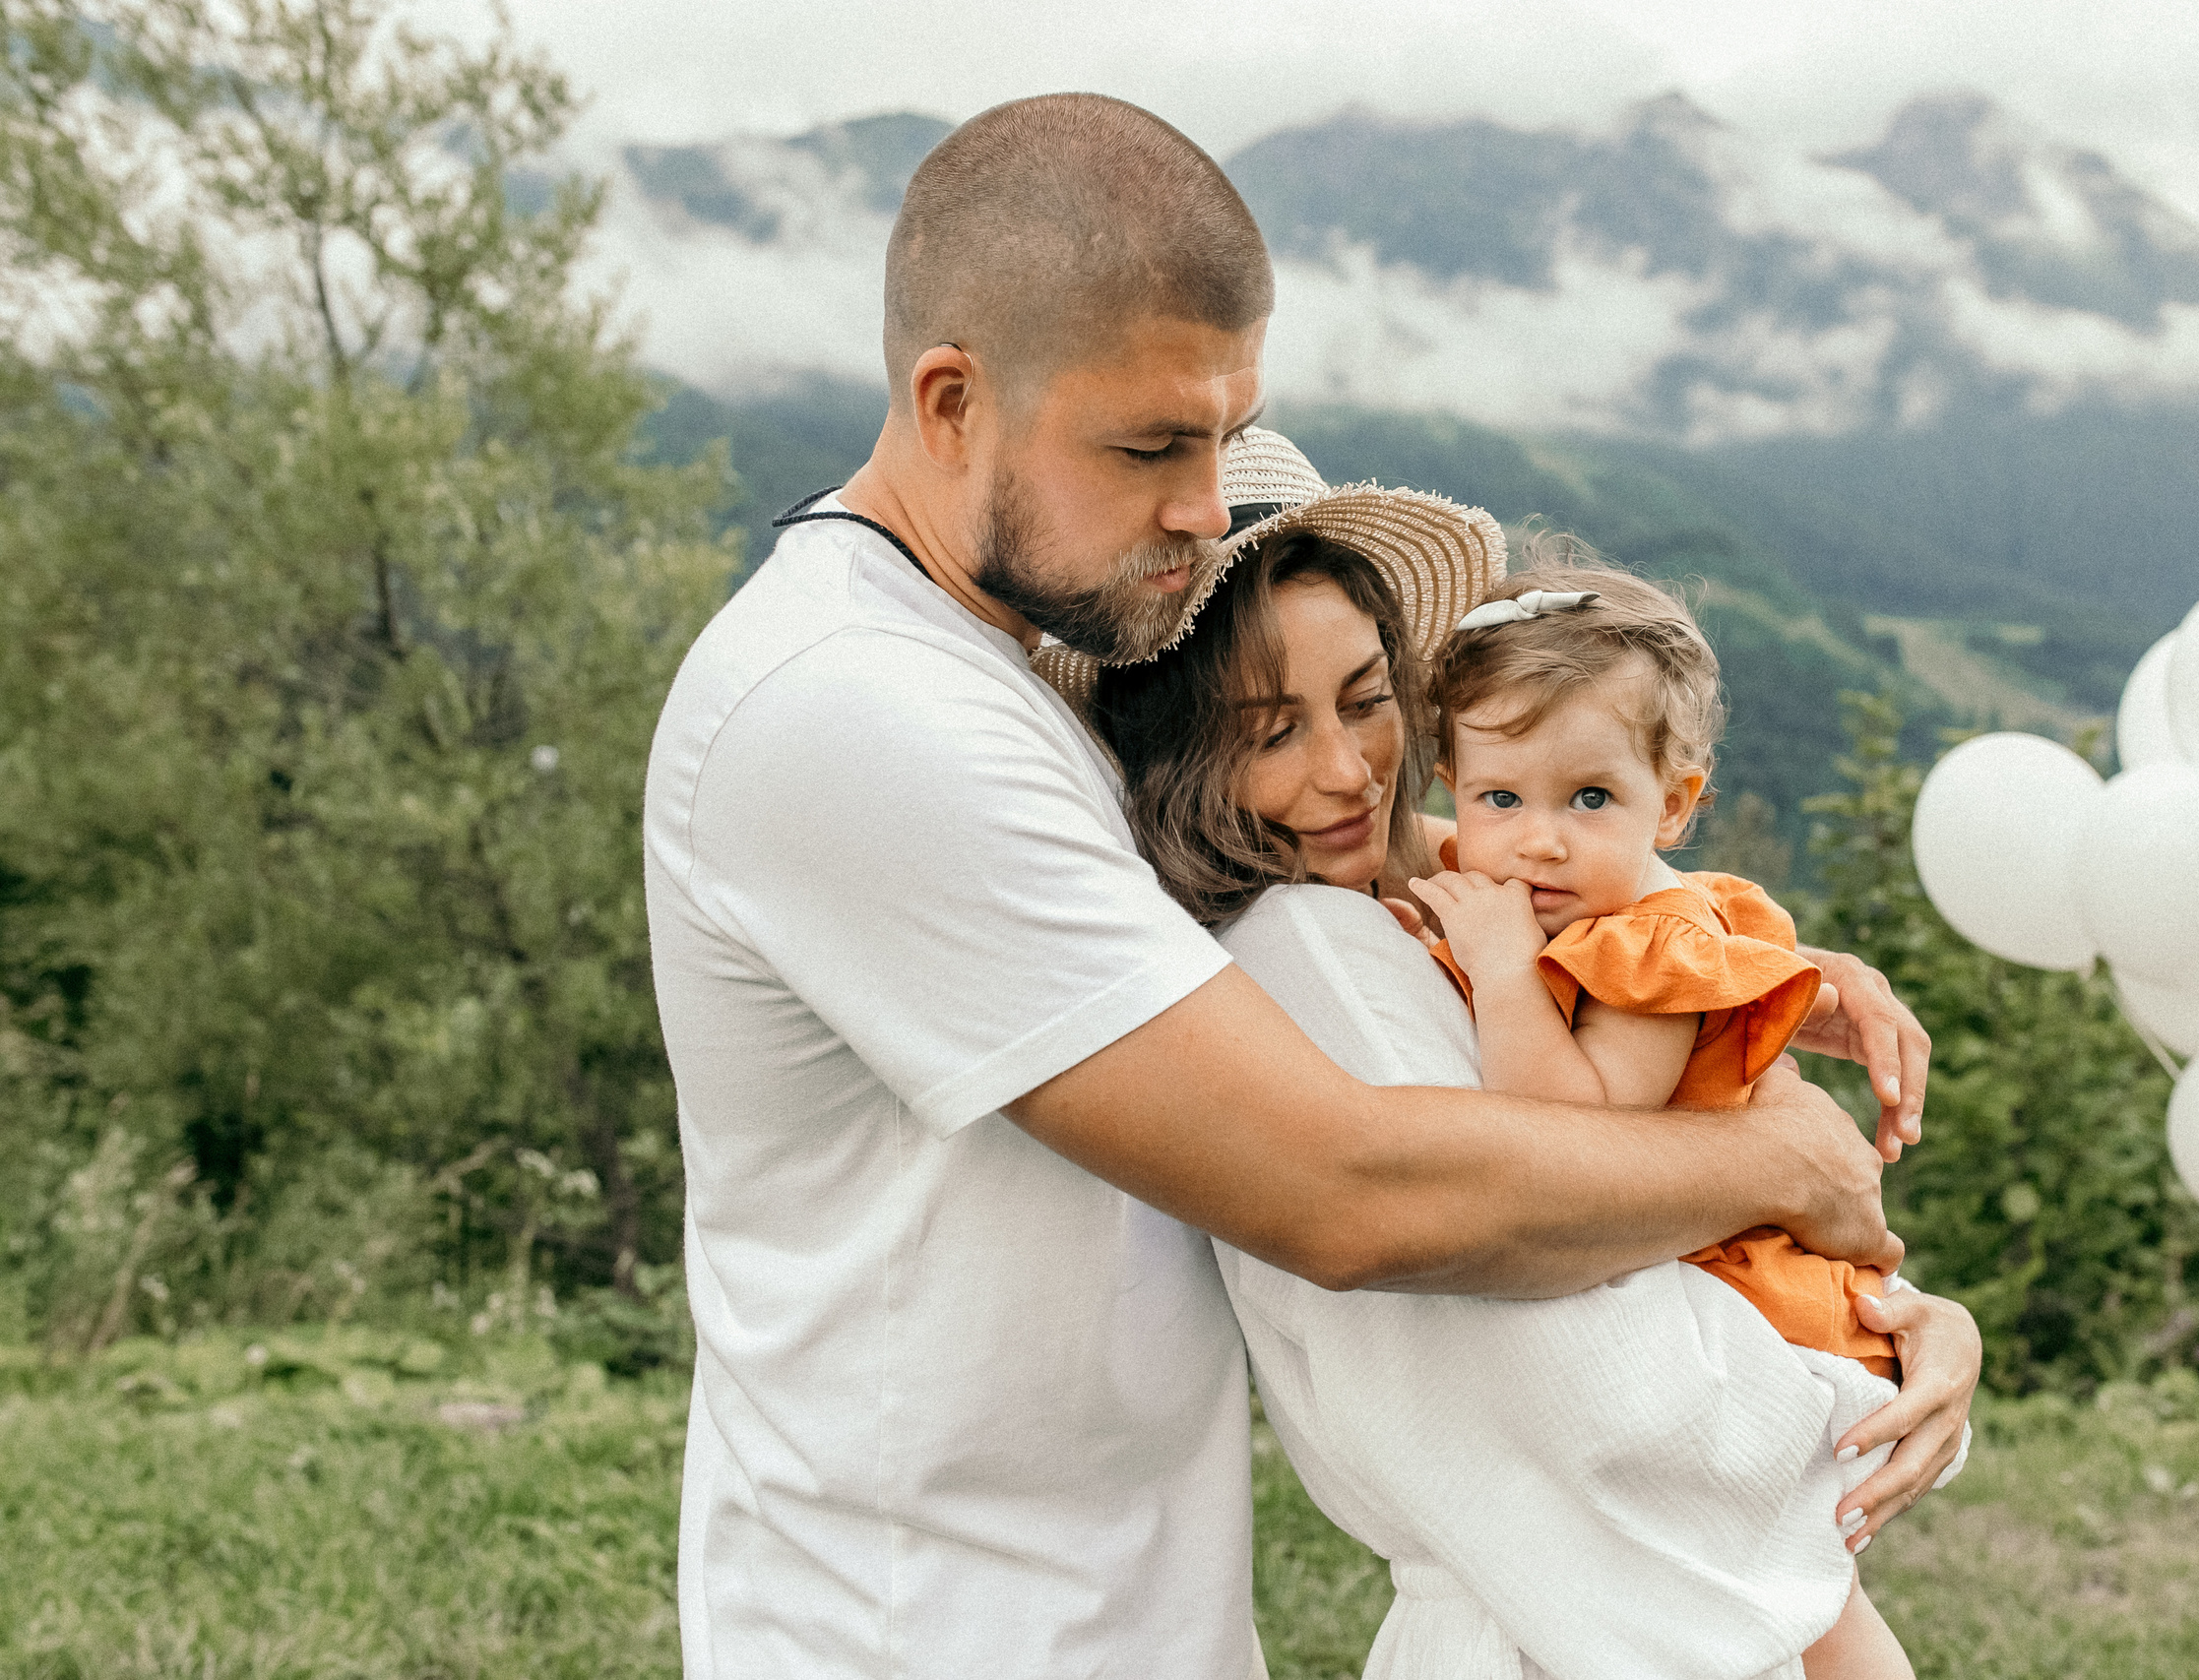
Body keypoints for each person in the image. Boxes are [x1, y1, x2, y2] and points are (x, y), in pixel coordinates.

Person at [645, 92, 1975, 1678]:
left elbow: (1400, 869)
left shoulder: (1007, 684)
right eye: (1151, 445)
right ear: (951, 403)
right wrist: (1781, 1163)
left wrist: (1749, 990)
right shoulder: (856, 708)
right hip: (925, 1630)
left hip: (1112, 1618)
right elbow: (1347, 1187)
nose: (1205, 504)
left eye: (1227, 434)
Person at [1074, 434, 1961, 1679]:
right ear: (1181, 747)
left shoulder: (1477, 903)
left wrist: (1905, 1324)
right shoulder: (1303, 956)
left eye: (1367, 702)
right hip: (1598, 1601)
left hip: (1632, 1590)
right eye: (1269, 733)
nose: (1345, 773)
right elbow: (1590, 1356)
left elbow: (1512, 880)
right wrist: (1830, 1337)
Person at [1412, 562, 1917, 1676]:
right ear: (1453, 787)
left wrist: (1500, 971)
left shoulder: (1653, 949)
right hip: (1677, 1271)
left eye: (1590, 799)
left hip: (1746, 1305)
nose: (1539, 840)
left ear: (1674, 805)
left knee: (1797, 1599)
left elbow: (1574, 1125)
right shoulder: (1550, 888)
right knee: (1774, 1591)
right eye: (1500, 799)